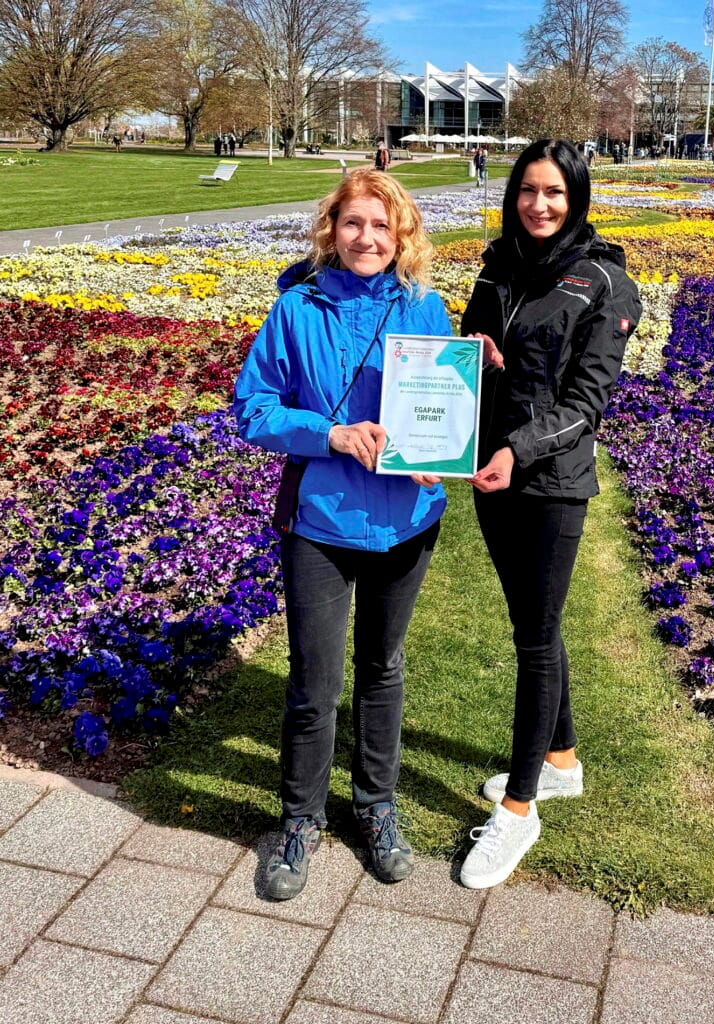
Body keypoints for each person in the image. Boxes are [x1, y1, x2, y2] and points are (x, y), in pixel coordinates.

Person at [233, 168, 452, 900]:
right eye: (354, 223)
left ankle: (376, 806)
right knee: (315, 683)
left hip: (405, 522)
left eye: (382, 227)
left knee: (383, 670)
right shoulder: (296, 308)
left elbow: (442, 410)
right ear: (332, 229)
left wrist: (436, 459)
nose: (368, 238)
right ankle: (300, 818)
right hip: (320, 521)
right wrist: (326, 433)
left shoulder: (426, 307)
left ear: (403, 237)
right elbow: (253, 410)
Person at [456, 140, 641, 889]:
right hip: (490, 475)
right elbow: (474, 345)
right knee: (537, 623)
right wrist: (475, 352)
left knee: (534, 641)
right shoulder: (499, 264)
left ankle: (520, 813)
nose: (539, 204)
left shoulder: (606, 283)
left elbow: (585, 405)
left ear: (578, 199)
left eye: (555, 193)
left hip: (551, 481)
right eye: (529, 190)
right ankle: (561, 762)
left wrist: (519, 450)